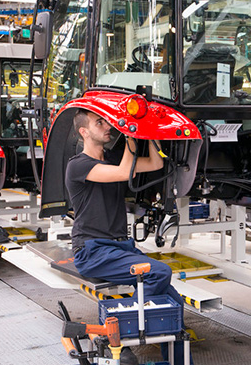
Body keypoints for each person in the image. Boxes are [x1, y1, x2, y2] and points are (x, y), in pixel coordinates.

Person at [65, 109, 191, 365]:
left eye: (105, 120)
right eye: (99, 122)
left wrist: (149, 132)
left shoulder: (112, 158)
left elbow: (155, 164)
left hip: (121, 248)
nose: (106, 125)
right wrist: (131, 135)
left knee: (174, 304)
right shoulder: (78, 165)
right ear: (84, 132)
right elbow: (125, 172)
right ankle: (116, 335)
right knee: (159, 272)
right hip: (92, 250)